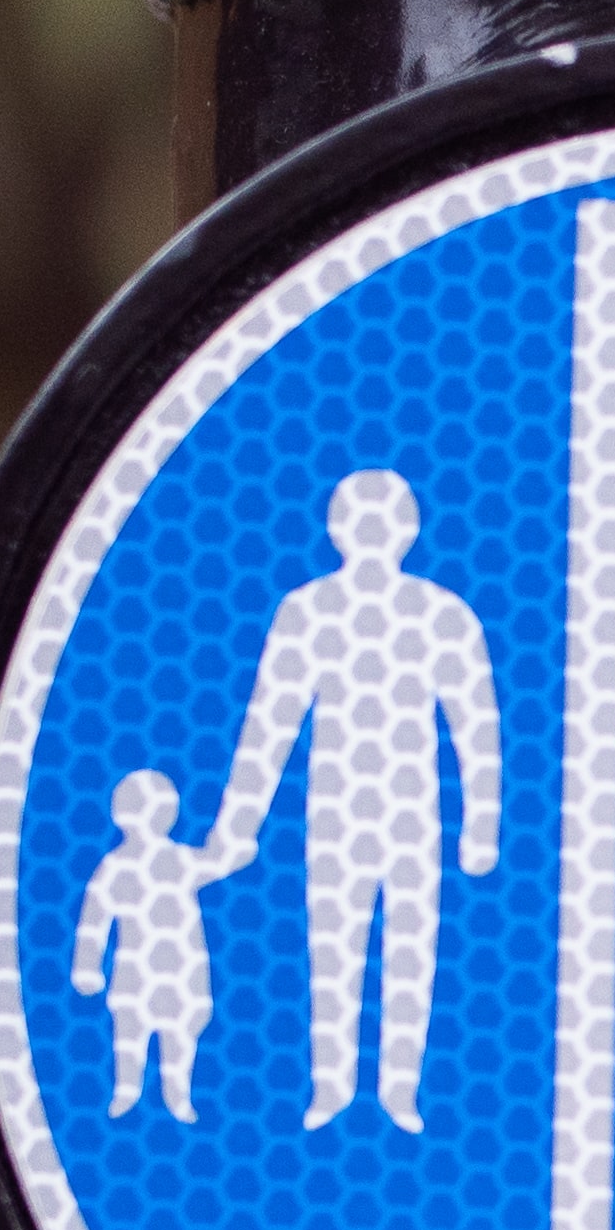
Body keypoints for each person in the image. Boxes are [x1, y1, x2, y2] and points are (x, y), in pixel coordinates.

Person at [203, 469, 500, 1128]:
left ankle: (401, 1093)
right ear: (337, 529)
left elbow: (475, 726)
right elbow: (270, 724)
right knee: (333, 950)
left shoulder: (441, 615)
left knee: (409, 951)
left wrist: (482, 826)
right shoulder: (307, 612)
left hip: (413, 814)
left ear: (408, 530)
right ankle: (330, 1089)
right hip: (334, 814)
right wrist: (238, 825)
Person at [71, 770, 231, 1117]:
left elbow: (219, 862)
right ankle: (126, 1094)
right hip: (135, 975)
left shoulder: (179, 859)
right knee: (131, 1032)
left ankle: (178, 1097)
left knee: (179, 1034)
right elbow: (94, 918)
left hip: (181, 973)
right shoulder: (116, 867)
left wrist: (235, 841)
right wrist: (86, 967)